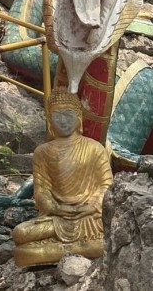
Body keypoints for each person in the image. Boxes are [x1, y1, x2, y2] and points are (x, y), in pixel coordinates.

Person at [12, 89, 113, 266]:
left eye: (68, 115)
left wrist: (92, 206)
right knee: (20, 233)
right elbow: (41, 191)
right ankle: (81, 248)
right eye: (57, 116)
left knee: (108, 231)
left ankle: (64, 250)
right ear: (49, 119)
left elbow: (107, 186)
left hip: (89, 217)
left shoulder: (95, 148)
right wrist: (55, 207)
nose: (63, 121)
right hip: (57, 217)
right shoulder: (42, 152)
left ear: (79, 117)